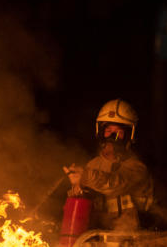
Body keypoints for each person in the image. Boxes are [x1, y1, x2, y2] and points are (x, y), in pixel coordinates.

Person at [64, 98, 154, 233]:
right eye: (108, 130)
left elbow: (115, 184)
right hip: (98, 242)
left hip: (133, 241)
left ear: (129, 135)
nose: (112, 136)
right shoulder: (92, 165)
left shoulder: (137, 168)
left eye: (119, 131)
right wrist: (79, 190)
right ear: (100, 132)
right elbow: (82, 209)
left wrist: (86, 177)